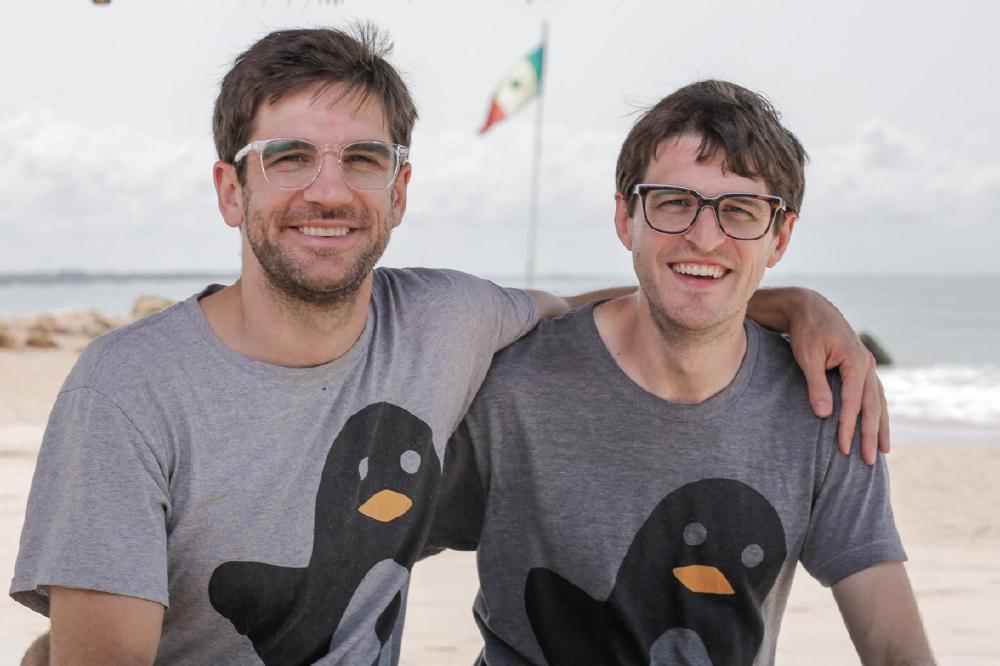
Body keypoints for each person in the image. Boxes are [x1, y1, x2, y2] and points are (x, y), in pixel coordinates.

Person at [10, 27, 885, 665]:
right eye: (287, 158)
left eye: (362, 159)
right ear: (229, 191)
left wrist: (787, 302)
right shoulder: (127, 391)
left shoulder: (448, 320)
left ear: (399, 192)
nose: (329, 189)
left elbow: (629, 300)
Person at [429, 80, 934, 665]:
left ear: (781, 237)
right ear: (626, 218)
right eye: (673, 202)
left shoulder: (823, 406)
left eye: (740, 211)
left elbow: (894, 645)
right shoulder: (510, 386)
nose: (704, 235)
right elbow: (370, 551)